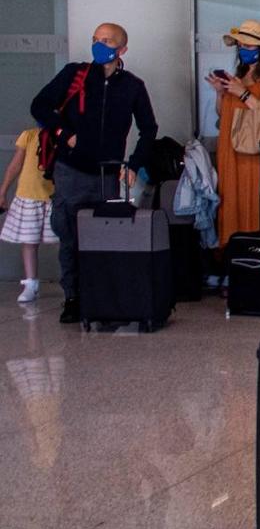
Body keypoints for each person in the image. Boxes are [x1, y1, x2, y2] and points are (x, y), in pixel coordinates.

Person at [30, 22, 158, 323]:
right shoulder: (75, 74)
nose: (100, 45)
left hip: (107, 174)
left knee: (105, 237)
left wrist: (134, 165)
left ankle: (103, 296)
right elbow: (40, 106)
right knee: (70, 236)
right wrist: (64, 134)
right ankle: (72, 298)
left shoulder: (133, 86)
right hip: (71, 170)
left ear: (122, 49)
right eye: (96, 39)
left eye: (107, 40)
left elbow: (148, 129)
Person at [206, 20, 260, 255]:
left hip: (255, 153)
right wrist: (221, 93)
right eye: (240, 45)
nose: (243, 50)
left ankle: (257, 263)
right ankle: (234, 267)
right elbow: (224, 113)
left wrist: (244, 93)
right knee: (231, 205)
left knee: (256, 206)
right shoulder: (238, 75)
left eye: (249, 46)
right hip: (231, 150)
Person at [0, 128, 59, 303]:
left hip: (55, 196)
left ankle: (71, 282)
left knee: (64, 241)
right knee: (29, 241)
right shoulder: (29, 135)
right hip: (29, 195)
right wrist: (3, 191)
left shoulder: (64, 135)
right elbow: (15, 165)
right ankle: (31, 284)